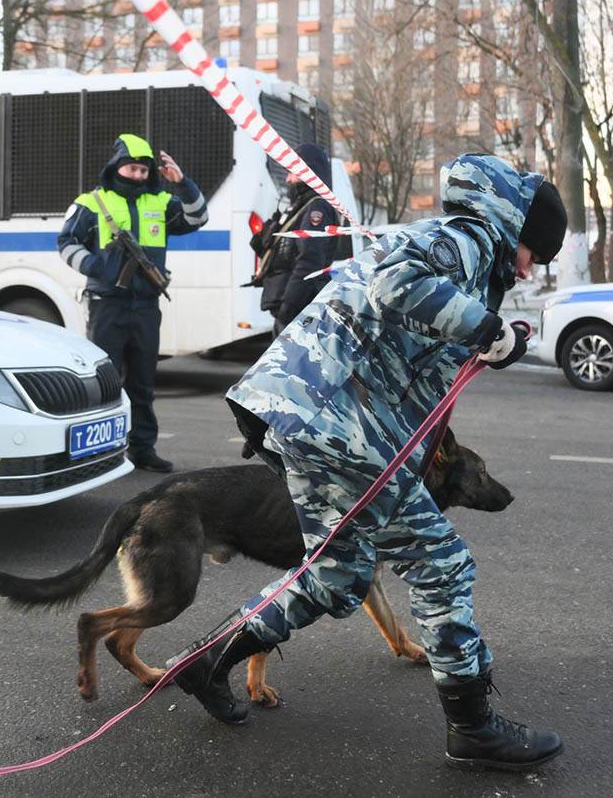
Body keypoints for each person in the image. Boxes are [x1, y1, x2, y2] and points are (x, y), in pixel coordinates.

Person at [169, 153, 569, 772]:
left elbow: (407, 335)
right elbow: (398, 285)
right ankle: (474, 729)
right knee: (442, 566)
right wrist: (487, 328)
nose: (529, 268)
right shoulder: (464, 240)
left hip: (316, 418)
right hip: (336, 423)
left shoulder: (459, 252)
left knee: (338, 578)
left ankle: (208, 661)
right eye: (534, 253)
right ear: (513, 230)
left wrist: (483, 341)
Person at [57, 134, 208, 473]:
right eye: (132, 168)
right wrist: (96, 266)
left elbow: (198, 219)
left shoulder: (160, 201)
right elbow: (66, 242)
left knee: (142, 382)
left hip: (145, 306)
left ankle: (143, 449)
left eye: (143, 170)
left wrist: (183, 184)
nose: (138, 175)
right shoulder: (93, 202)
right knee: (106, 382)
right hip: (107, 304)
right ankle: (101, 453)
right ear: (116, 167)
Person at [251, 143, 342, 335]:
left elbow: (310, 260)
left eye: (292, 172)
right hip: (291, 309)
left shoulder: (317, 207)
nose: (287, 178)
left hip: (298, 309)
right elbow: (287, 253)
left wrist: (290, 305)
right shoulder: (302, 206)